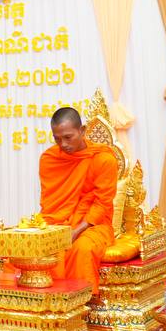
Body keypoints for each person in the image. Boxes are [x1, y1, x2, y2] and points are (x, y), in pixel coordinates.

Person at [39, 106, 117, 291]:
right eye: (57, 139)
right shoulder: (49, 159)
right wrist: (53, 230)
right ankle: (38, 300)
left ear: (82, 131)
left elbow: (102, 203)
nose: (63, 144)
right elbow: (51, 204)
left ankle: (80, 300)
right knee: (34, 246)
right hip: (57, 222)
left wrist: (76, 231)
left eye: (68, 137)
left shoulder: (104, 160)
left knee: (81, 248)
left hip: (94, 225)